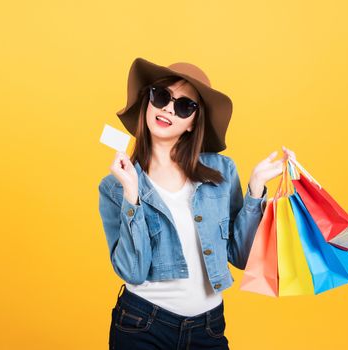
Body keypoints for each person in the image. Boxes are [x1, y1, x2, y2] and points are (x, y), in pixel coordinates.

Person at [98, 57, 296, 350]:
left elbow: (241, 257)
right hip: (142, 325)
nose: (168, 108)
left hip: (208, 328)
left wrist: (256, 189)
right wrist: (132, 194)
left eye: (183, 105)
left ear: (193, 122)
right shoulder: (115, 186)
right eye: (162, 96)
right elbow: (133, 271)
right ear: (148, 102)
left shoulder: (222, 172)